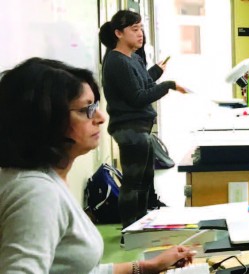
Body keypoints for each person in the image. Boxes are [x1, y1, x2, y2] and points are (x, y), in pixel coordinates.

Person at [0, 57, 194, 273]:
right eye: (86, 110)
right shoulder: (36, 193)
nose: (101, 117)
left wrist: (147, 267)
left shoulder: (44, 178)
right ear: (46, 119)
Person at [99, 10, 187, 227]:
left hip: (140, 128)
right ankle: (130, 230)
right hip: (129, 129)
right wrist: (170, 85)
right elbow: (138, 97)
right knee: (133, 183)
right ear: (118, 33)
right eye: (135, 29)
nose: (140, 34)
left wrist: (157, 71)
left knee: (145, 181)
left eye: (141, 29)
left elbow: (144, 83)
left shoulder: (133, 58)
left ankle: (141, 224)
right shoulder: (116, 61)